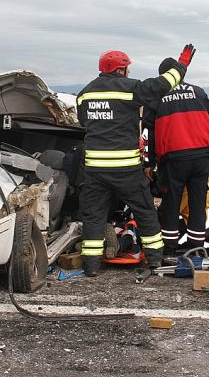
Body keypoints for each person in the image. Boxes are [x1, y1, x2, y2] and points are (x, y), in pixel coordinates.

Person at [77, 47, 192, 277]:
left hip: (95, 171)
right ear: (121, 69)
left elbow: (83, 122)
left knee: (94, 216)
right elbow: (163, 84)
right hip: (126, 170)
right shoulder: (130, 88)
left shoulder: (85, 94)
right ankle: (155, 260)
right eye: (127, 67)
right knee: (145, 211)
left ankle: (90, 266)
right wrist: (182, 65)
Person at [142, 61, 209, 261]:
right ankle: (196, 247)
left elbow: (147, 133)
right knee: (198, 202)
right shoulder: (198, 92)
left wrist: (148, 163)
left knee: (171, 202)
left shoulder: (157, 97)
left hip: (173, 159)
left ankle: (169, 247)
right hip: (201, 157)